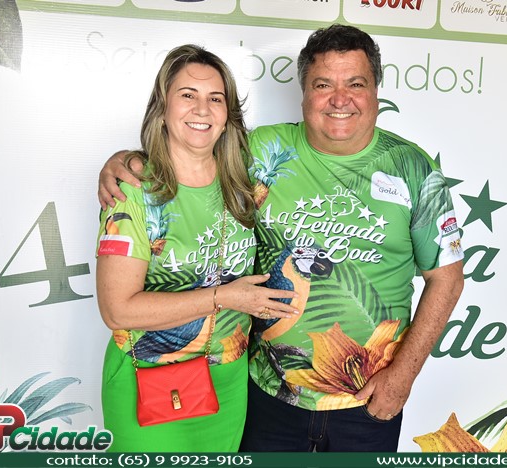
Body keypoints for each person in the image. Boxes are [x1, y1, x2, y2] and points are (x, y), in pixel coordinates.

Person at [98, 25, 464, 452]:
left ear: (376, 92)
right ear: (304, 93)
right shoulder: (260, 152)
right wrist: (126, 162)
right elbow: (189, 149)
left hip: (367, 401)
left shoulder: (415, 169)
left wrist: (403, 377)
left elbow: (447, 279)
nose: (340, 99)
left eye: (355, 84)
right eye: (323, 85)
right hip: (264, 394)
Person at [95, 44, 297, 452]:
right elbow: (117, 310)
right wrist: (224, 297)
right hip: (146, 381)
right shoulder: (134, 189)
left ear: (227, 116)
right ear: (162, 108)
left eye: (215, 98)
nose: (202, 109)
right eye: (188, 95)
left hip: (227, 382)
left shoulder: (243, 184)